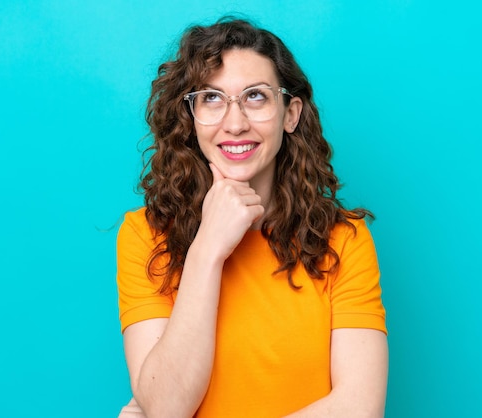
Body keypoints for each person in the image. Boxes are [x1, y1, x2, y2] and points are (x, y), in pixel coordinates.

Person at [116, 17, 388, 418]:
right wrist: (207, 249)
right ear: (190, 116)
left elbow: (360, 409)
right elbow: (166, 407)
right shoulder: (144, 236)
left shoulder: (344, 240)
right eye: (211, 98)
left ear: (290, 114)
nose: (235, 123)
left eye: (255, 97)